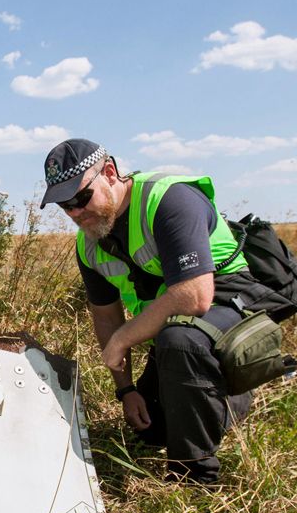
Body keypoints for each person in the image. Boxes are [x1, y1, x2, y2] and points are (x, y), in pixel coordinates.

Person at [40, 138, 274, 484]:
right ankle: (211, 397)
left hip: (230, 303)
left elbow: (194, 297)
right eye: (64, 205)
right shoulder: (89, 244)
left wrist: (121, 340)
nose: (75, 213)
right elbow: (106, 316)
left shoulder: (168, 200)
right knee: (152, 429)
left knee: (180, 341)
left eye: (80, 198)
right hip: (173, 327)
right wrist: (126, 390)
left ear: (109, 173)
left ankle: (194, 476)